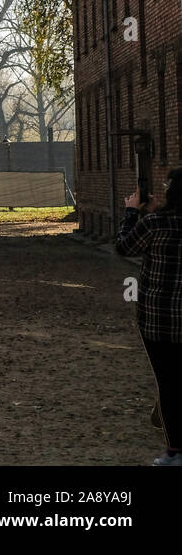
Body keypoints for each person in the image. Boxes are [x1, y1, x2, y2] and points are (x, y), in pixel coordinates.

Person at [119, 171, 182, 466]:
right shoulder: (158, 221)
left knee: (168, 381)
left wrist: (131, 213)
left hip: (158, 318)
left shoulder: (154, 224)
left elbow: (124, 246)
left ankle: (175, 451)